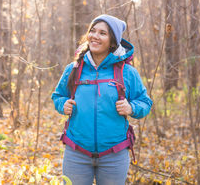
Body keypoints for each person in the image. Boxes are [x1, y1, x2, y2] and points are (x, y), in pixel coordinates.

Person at [51, 14, 153, 185]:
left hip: (114, 155)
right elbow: (58, 96)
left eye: (102, 33)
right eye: (93, 31)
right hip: (76, 153)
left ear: (113, 41)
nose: (95, 36)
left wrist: (131, 108)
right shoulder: (74, 68)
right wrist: (63, 104)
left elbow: (145, 102)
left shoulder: (127, 72)